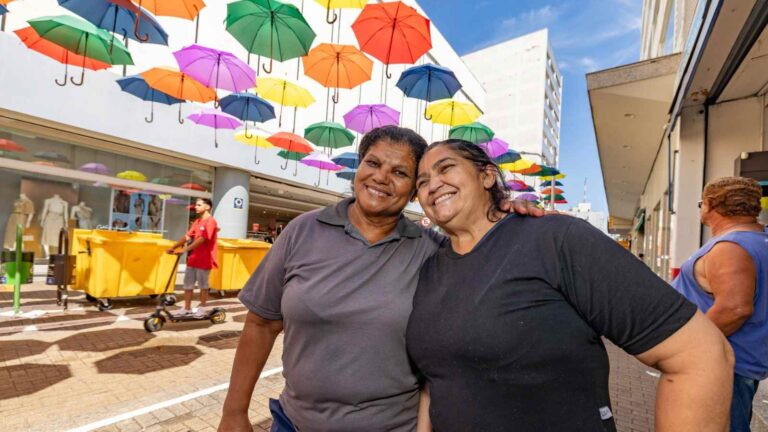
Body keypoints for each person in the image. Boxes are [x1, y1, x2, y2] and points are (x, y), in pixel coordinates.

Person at [218, 127, 542, 432]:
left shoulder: (434, 250)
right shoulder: (303, 230)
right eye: (372, 163)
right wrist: (234, 412)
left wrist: (509, 217)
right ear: (358, 169)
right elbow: (261, 324)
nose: (381, 177)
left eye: (400, 173)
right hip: (295, 423)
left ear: (416, 192)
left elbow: (488, 255)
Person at [406, 139, 735, 431]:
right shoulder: (432, 266)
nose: (434, 184)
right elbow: (438, 378)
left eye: (446, 168)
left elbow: (701, 354)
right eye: (422, 182)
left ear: (487, 176)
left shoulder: (556, 239)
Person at [672, 177, 768, 432]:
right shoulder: (756, 239)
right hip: (738, 362)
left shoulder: (731, 247)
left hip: (721, 365)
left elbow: (735, 309)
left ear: (710, 204)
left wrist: (685, 346)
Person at [167, 198, 218, 318]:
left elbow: (202, 239)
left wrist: (185, 250)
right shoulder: (197, 222)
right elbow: (187, 236)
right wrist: (173, 247)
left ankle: (202, 307)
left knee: (203, 286)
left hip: (205, 260)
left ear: (207, 207)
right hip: (193, 259)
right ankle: (187, 308)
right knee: (188, 285)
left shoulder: (211, 222)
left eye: (199, 205)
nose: (196, 207)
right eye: (196, 205)